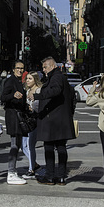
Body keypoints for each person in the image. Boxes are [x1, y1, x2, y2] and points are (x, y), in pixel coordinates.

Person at [29, 57, 75, 186]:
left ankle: (51, 176)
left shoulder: (56, 77)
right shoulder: (58, 77)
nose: (43, 70)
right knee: (60, 147)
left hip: (53, 119)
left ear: (52, 66)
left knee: (50, 147)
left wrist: (37, 95)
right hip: (59, 119)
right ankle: (59, 177)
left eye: (45, 67)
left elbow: (55, 91)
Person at [1, 60, 33, 185]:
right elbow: (3, 97)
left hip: (18, 115)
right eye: (18, 68)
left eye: (22, 68)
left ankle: (13, 171)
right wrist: (13, 95)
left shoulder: (19, 81)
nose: (20, 70)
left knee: (18, 144)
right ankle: (11, 172)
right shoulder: (10, 81)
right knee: (15, 144)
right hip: (13, 116)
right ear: (13, 69)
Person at [22, 71, 42, 179]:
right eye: (27, 79)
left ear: (35, 80)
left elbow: (39, 107)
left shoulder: (38, 90)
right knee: (23, 145)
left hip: (35, 120)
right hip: (27, 120)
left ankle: (31, 169)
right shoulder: (27, 90)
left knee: (30, 145)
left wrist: (32, 107)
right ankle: (34, 164)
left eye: (30, 79)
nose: (27, 81)